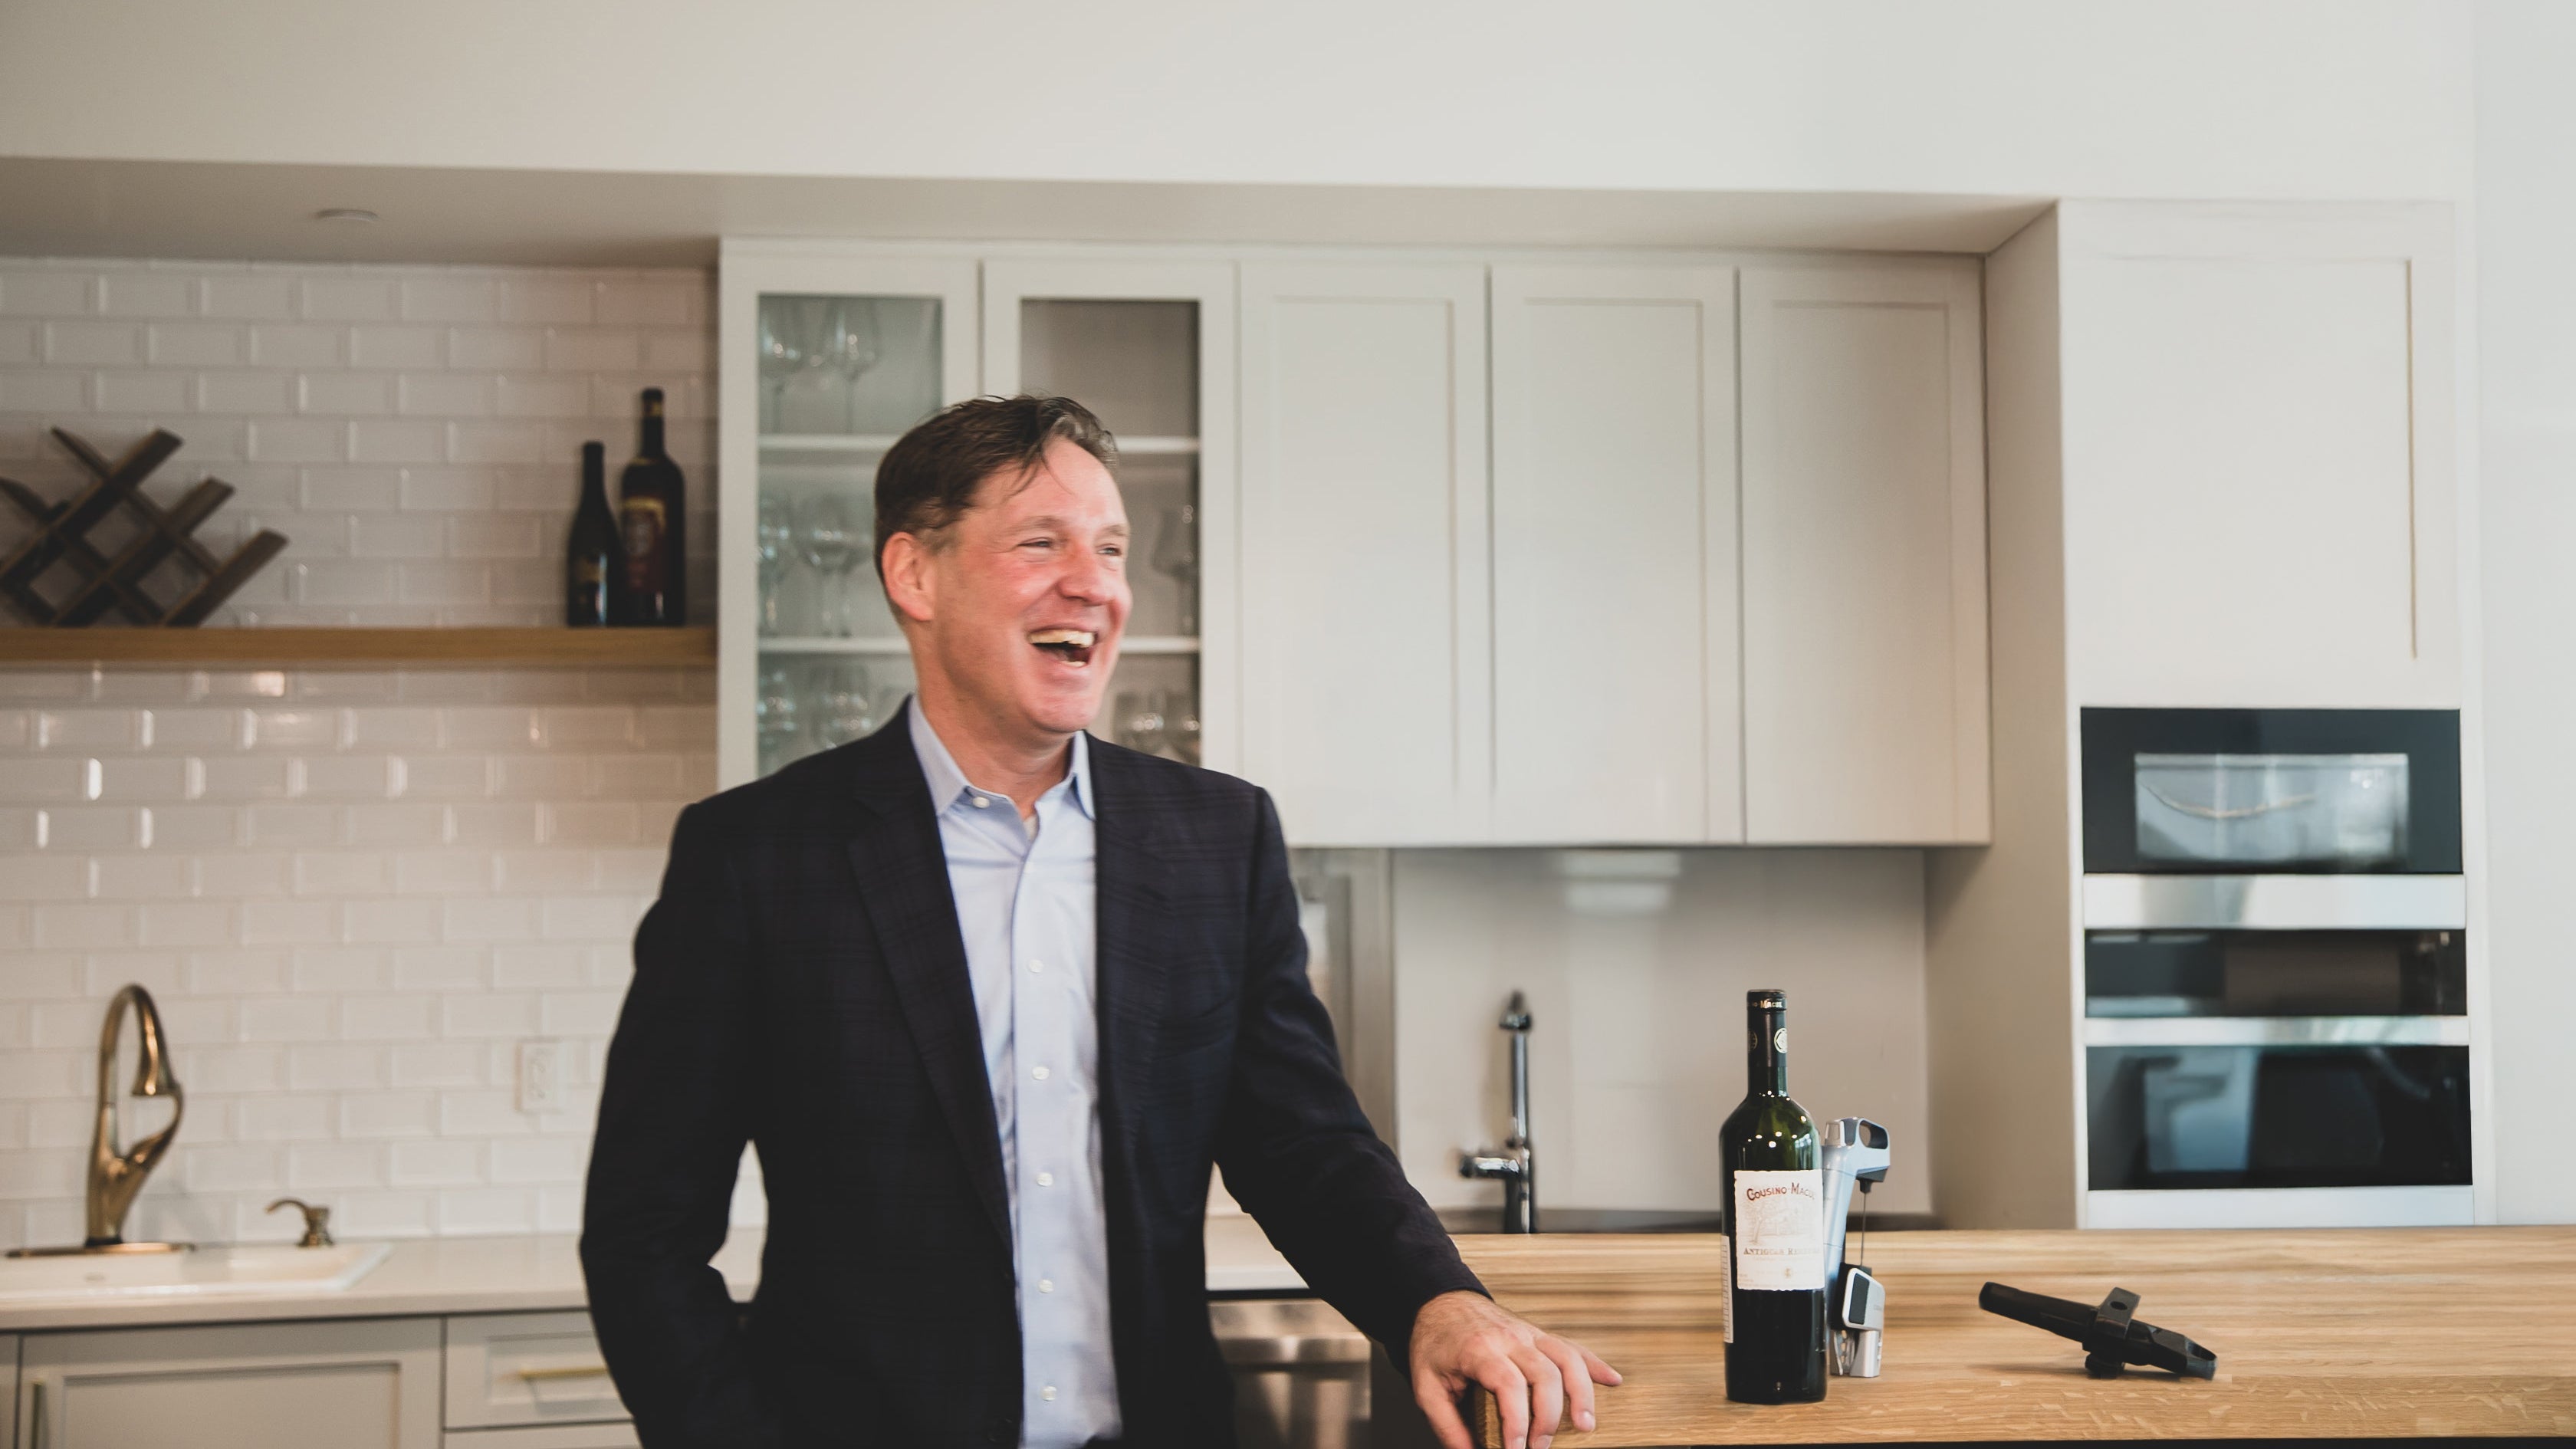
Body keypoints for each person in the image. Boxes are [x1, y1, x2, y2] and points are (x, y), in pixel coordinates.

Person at [582, 395, 1616, 1449]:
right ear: (915, 575)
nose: (1096, 584)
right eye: (1042, 543)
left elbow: (1301, 1141)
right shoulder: (755, 857)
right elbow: (643, 1233)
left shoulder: (1218, 839)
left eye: (1112, 549)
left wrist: (1437, 1301)